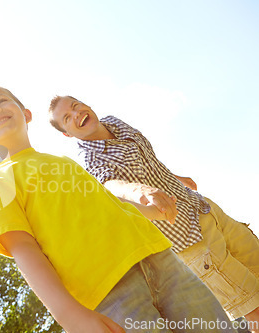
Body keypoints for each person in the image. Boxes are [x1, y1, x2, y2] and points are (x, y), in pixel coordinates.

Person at [0, 85, 236, 332]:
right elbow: (22, 248)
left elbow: (110, 205)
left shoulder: (63, 162)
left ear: (26, 114)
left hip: (161, 258)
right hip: (109, 292)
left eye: (2, 101)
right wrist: (70, 315)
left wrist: (152, 211)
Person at [48, 94, 259, 332]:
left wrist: (175, 178)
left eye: (76, 106)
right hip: (190, 241)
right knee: (253, 308)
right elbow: (112, 186)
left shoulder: (114, 122)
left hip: (203, 209)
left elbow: (147, 160)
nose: (77, 113)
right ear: (67, 133)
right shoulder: (90, 159)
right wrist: (142, 192)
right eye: (67, 118)